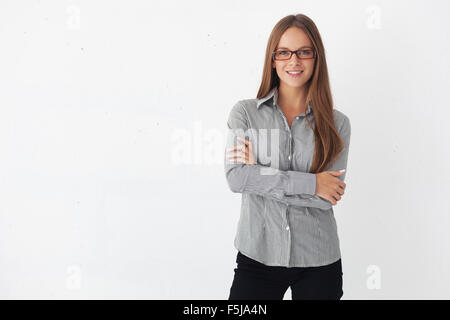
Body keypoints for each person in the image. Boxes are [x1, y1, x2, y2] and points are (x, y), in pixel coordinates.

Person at [224, 13, 351, 300]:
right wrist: (311, 182)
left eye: (304, 52)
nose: (294, 61)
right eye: (284, 52)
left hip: (319, 260)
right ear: (273, 59)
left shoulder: (338, 124)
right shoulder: (245, 114)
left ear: (316, 58)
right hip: (258, 255)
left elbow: (325, 197)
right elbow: (236, 177)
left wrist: (259, 172)